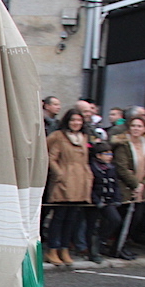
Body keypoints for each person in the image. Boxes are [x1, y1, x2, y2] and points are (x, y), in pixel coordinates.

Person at [44, 109, 92, 266]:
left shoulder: (83, 137)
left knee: (72, 218)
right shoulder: (58, 136)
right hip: (64, 180)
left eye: (79, 120)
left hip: (80, 180)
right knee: (59, 216)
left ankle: (64, 248)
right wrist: (60, 174)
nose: (76, 123)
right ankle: (52, 249)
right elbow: (51, 158)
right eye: (73, 120)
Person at [110, 116, 145, 259]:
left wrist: (143, 185)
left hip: (141, 190)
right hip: (126, 188)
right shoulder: (123, 144)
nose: (136, 129)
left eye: (139, 126)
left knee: (136, 219)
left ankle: (125, 244)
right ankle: (116, 247)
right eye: (134, 125)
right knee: (123, 219)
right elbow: (121, 168)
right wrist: (136, 184)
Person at [86, 143, 122, 263]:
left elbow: (115, 185)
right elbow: (89, 187)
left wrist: (116, 199)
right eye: (106, 154)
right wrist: (96, 200)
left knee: (115, 219)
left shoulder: (111, 168)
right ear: (98, 155)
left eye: (110, 153)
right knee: (92, 226)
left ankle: (101, 240)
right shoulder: (92, 168)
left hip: (109, 201)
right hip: (95, 202)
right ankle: (92, 251)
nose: (109, 156)